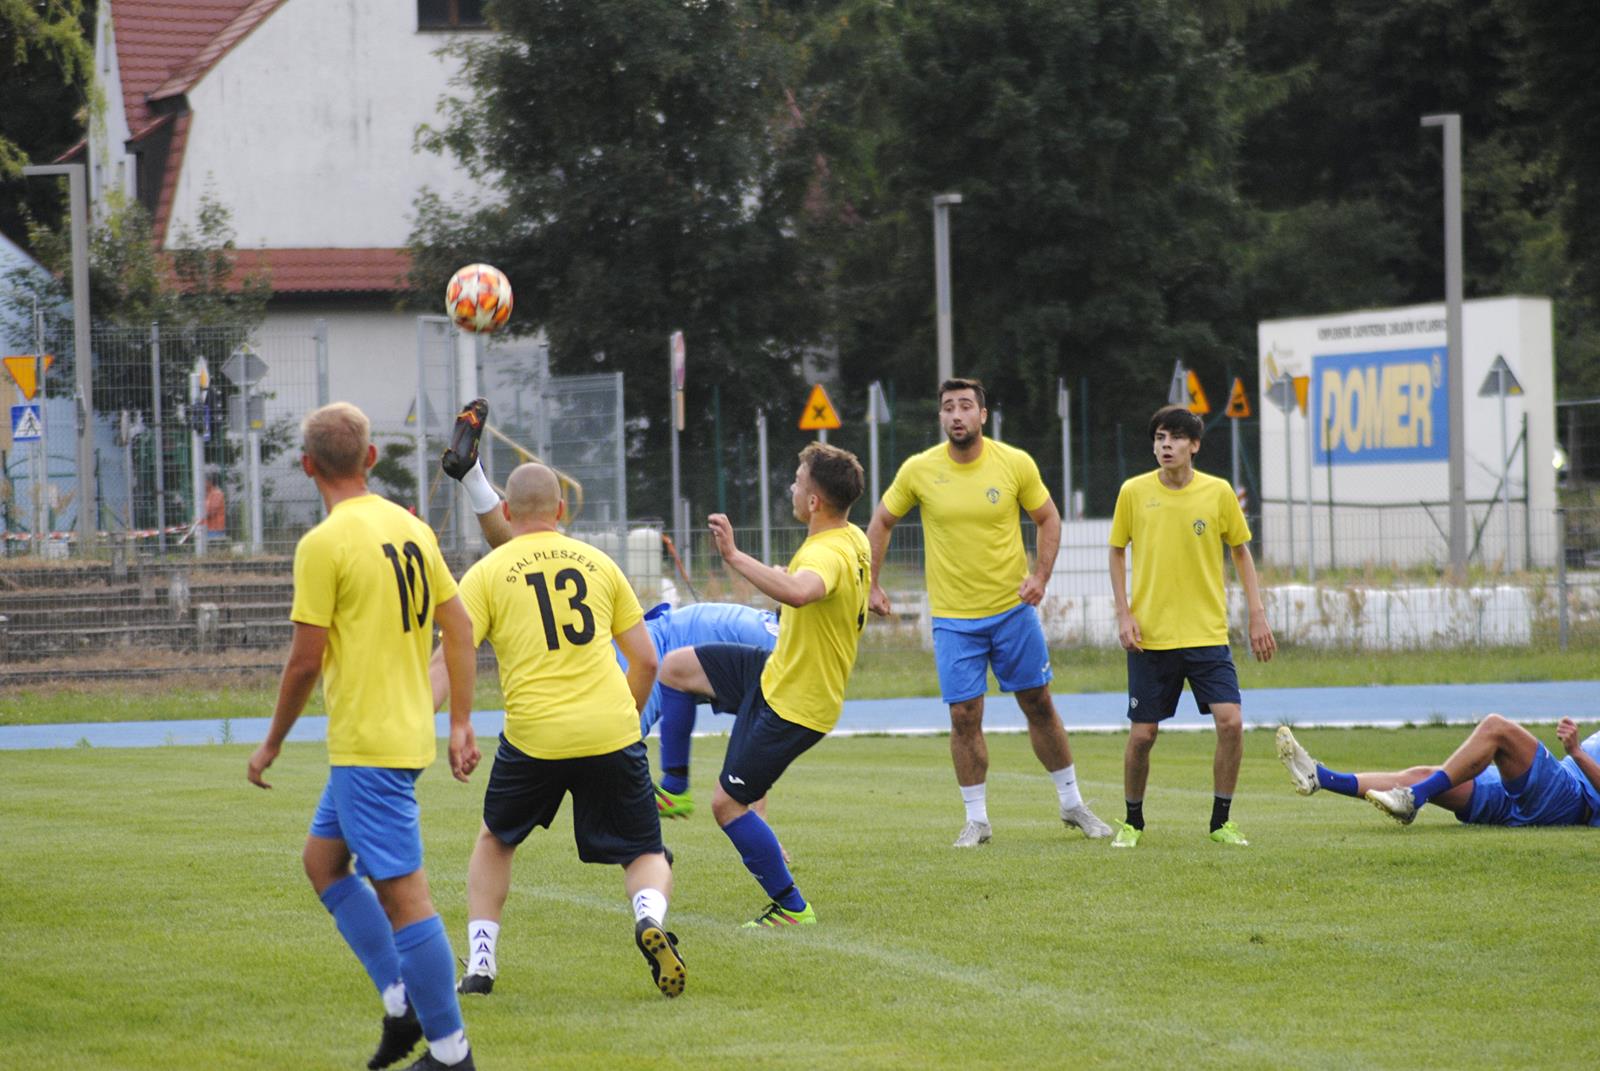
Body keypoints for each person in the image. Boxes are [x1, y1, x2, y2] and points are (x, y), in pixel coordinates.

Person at [247, 402, 481, 1071]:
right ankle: (403, 999)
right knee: (322, 863)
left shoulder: (324, 543)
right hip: (396, 736)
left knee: (405, 897)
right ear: (371, 458)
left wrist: (271, 743)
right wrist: (459, 719)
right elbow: (460, 627)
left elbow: (304, 660)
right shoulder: (409, 527)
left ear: (307, 465)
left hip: (368, 747)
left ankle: (450, 1051)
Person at [436, 396, 780, 820]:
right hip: (645, 653)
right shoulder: (782, 654)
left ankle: (474, 480)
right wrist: (759, 821)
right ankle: (661, 831)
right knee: (619, 767)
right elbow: (759, 746)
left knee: (519, 558)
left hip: (657, 638)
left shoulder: (770, 633)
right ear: (562, 509)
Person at [438, 462, 684, 1000]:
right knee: (644, 851)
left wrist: (434, 720)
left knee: (497, 840)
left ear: (505, 512)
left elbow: (449, 656)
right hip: (610, 729)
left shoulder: (488, 572)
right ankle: (649, 917)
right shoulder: (599, 563)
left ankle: (481, 962)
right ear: (562, 510)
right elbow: (645, 660)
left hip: (535, 735)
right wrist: (628, 721)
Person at [866, 378, 1111, 848]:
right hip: (954, 620)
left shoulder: (1014, 463)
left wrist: (1040, 577)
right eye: (947, 408)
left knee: (1038, 704)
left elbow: (1048, 519)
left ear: (982, 415)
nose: (956, 415)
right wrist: (872, 584)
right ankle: (977, 820)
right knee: (964, 715)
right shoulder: (919, 470)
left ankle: (1073, 803)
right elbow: (881, 522)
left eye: (965, 407)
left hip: (1011, 613)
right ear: (941, 418)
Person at [658, 442, 870, 927]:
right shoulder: (851, 537)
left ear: (815, 501)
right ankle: (673, 788)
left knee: (728, 806)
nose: (792, 487)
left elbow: (802, 590)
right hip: (776, 671)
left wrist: (733, 556)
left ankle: (793, 907)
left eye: (798, 481)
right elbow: (823, 587)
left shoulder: (829, 550)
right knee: (676, 668)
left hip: (797, 704)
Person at [1108, 405, 1275, 849]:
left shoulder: (1218, 493)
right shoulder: (1133, 491)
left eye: (1175, 438)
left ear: (1194, 445)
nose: (1166, 445)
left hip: (1206, 634)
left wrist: (1256, 613)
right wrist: (1124, 613)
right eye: (1160, 437)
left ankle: (1221, 821)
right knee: (1143, 735)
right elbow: (1116, 550)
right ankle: (1132, 822)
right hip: (1151, 638)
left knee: (1231, 723)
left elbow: (1241, 552)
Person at [1276, 717, 1600, 827]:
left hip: (1569, 800)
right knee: (1427, 774)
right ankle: (1321, 777)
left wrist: (1575, 752)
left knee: (1496, 728)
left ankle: (1412, 800)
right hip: (1538, 794)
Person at [635, 601, 780, 818]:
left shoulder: (776, 630)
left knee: (617, 746)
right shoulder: (783, 649)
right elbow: (759, 732)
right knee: (619, 743)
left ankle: (652, 821)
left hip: (665, 641)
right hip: (660, 644)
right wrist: (760, 817)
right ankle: (650, 824)